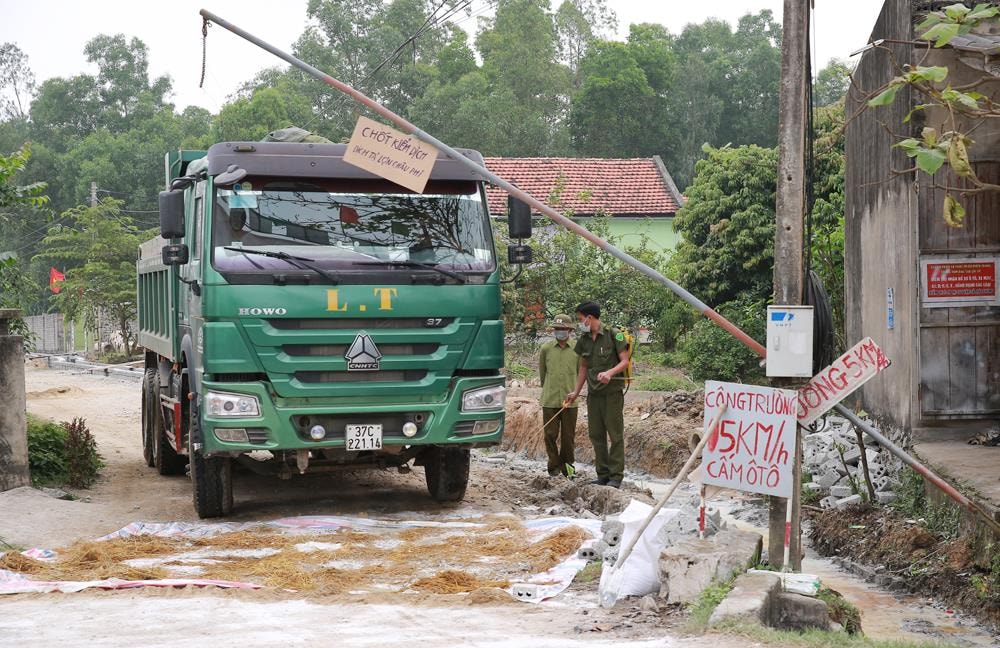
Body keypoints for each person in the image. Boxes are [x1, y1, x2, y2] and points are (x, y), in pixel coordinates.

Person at [566, 301, 630, 488]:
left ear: (589, 317)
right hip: (594, 395)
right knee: (596, 435)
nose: (580, 323)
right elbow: (583, 367)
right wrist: (576, 392)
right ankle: (602, 474)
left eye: (580, 319)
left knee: (615, 435)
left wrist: (610, 373)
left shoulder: (613, 334)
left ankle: (616, 476)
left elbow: (624, 361)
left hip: (612, 395)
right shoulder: (584, 339)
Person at [538, 314, 579, 478]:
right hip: (550, 399)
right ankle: (554, 466)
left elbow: (580, 373)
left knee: (568, 438)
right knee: (550, 435)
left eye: (562, 329)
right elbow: (543, 374)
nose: (559, 332)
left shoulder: (577, 349)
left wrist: (575, 392)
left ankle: (568, 468)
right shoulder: (546, 349)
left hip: (570, 401)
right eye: (556, 329)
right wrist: (548, 388)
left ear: (569, 330)